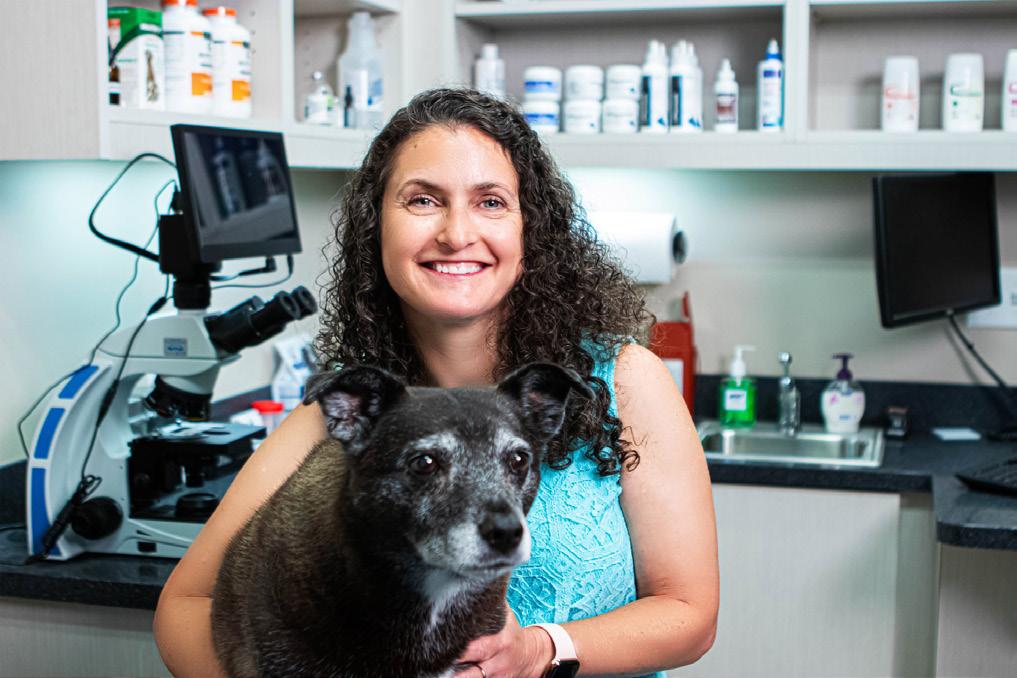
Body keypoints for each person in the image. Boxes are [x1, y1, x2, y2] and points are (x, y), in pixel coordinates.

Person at [154, 88, 718, 678]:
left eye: (491, 202)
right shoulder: (352, 415)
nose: (456, 233)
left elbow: (690, 613)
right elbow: (183, 607)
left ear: (531, 232)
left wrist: (538, 651)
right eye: (423, 200)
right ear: (377, 227)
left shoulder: (619, 382)